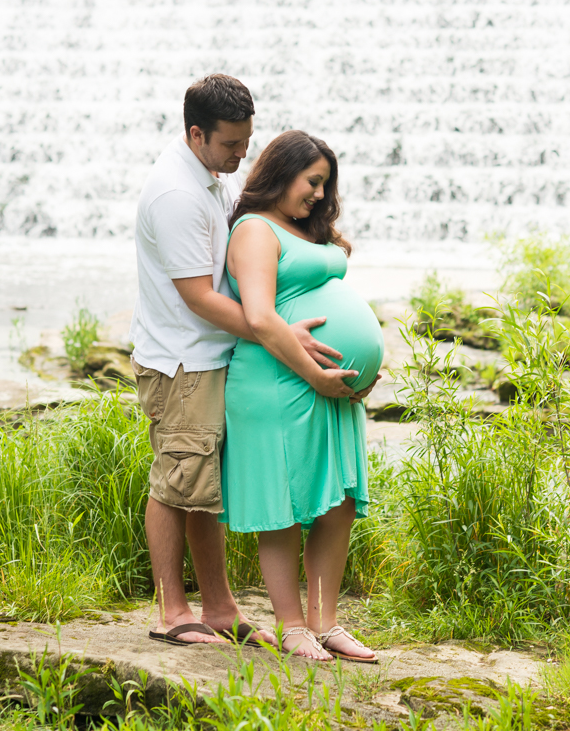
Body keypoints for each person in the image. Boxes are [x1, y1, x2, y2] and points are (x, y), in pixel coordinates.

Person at [130, 75, 349, 645]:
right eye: (231, 144)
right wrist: (274, 332)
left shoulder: (208, 176)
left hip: (213, 357)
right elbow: (199, 297)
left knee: (204, 486)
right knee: (175, 482)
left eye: (247, 141)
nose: (242, 154)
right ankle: (173, 614)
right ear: (196, 133)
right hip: (183, 362)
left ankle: (222, 608)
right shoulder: (177, 194)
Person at [221, 130, 384, 663]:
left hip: (327, 387)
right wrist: (318, 377)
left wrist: (354, 374)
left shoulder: (301, 231)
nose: (319, 194)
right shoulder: (254, 230)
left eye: (325, 185)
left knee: (337, 503)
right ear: (282, 172)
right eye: (313, 181)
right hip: (277, 382)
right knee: (284, 506)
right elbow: (260, 317)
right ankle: (293, 627)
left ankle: (325, 622)